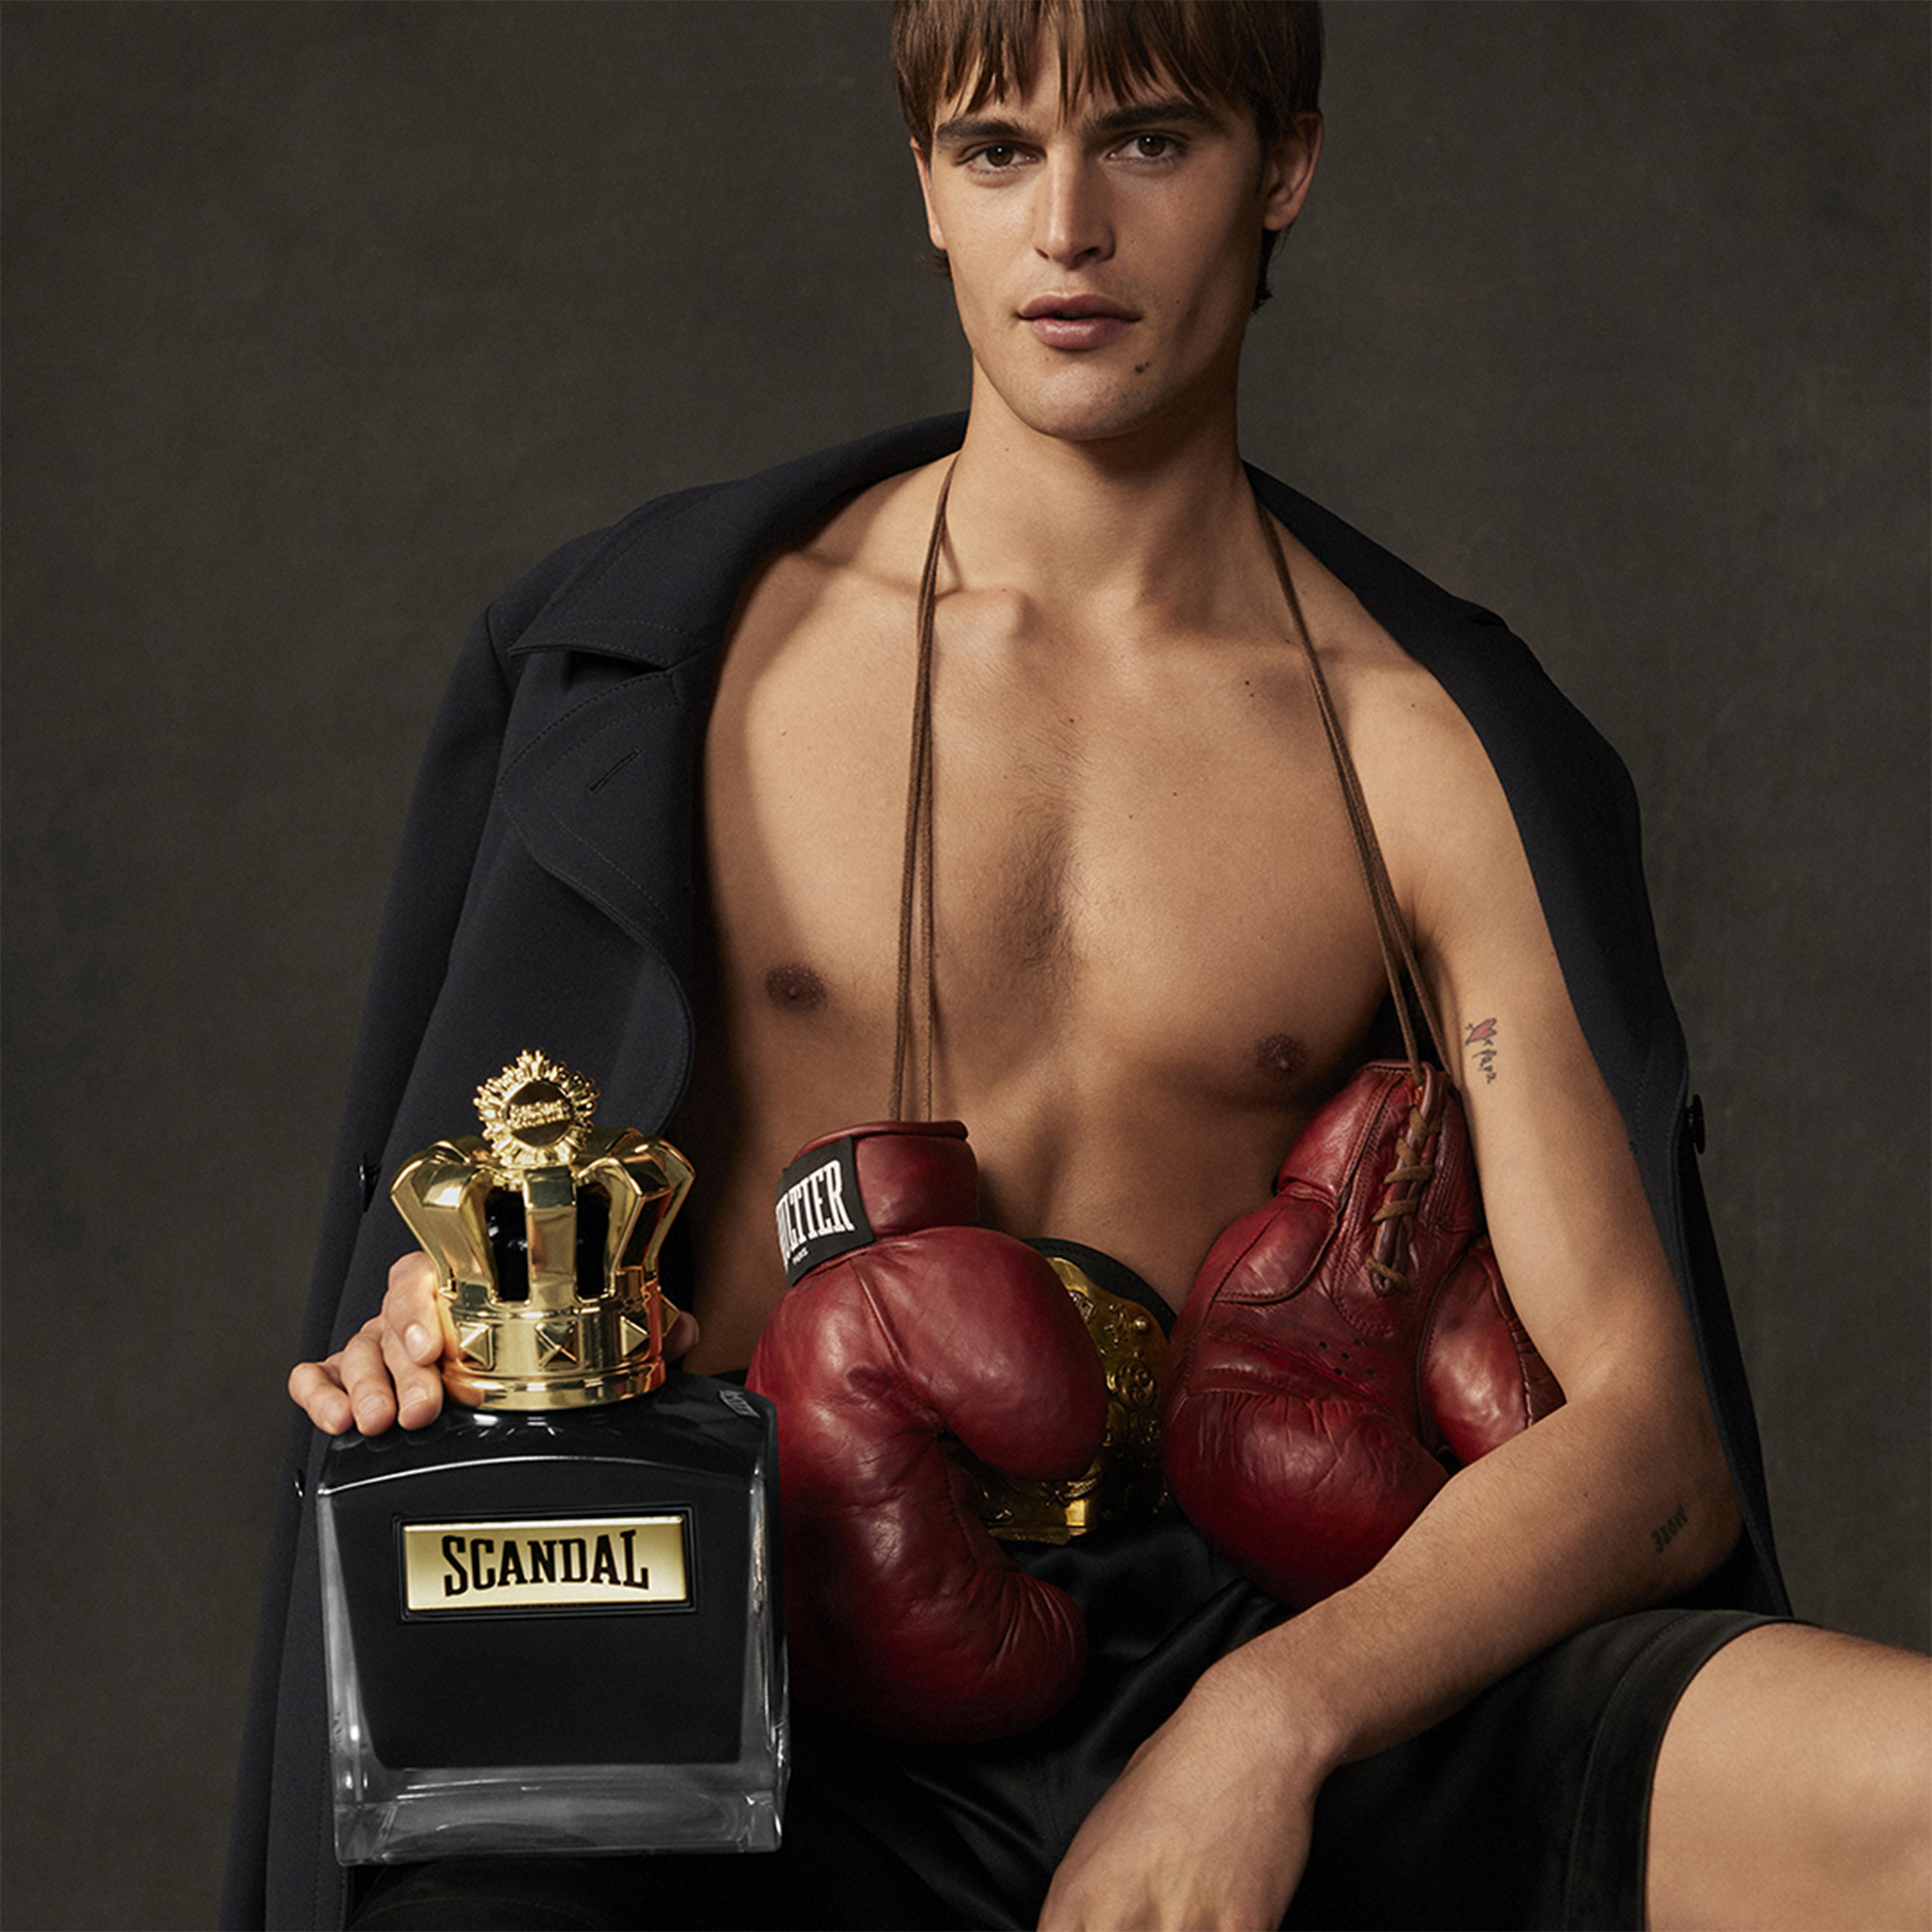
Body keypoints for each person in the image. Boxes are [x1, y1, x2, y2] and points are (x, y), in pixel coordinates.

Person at [234, 3, 1930, 1927]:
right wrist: (462, 1339)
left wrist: (1268, 1725)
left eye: (1144, 141)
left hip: (1279, 1631)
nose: (1065, 230)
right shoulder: (689, 673)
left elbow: (1652, 1446)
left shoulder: (1419, 749)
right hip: (782, 1677)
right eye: (994, 151)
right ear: (924, 189)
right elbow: (542, 1223)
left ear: (1282, 166)